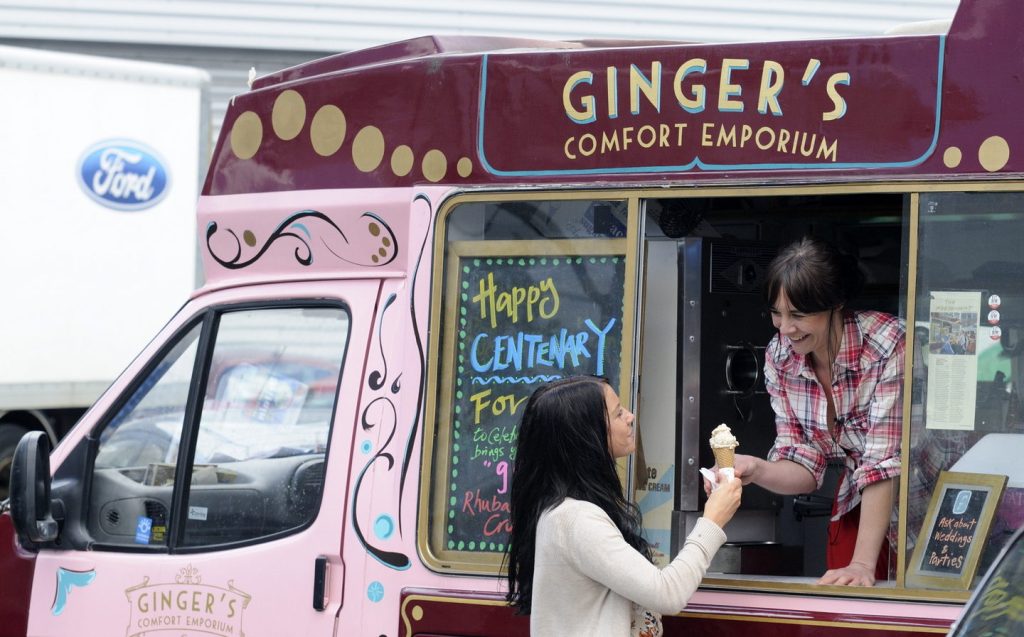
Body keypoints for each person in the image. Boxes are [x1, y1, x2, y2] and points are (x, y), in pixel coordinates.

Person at [708, 237, 904, 587]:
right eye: (776, 313)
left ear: (836, 304)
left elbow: (882, 464)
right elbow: (804, 465)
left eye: (798, 315)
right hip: (858, 504)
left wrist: (861, 564)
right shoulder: (780, 357)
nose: (784, 328)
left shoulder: (888, 345)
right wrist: (757, 467)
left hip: (923, 503)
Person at [506, 375, 742, 636]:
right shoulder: (577, 519)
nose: (630, 416)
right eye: (617, 413)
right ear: (586, 434)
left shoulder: (561, 511)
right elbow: (667, 593)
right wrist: (712, 521)